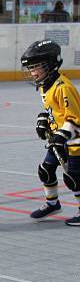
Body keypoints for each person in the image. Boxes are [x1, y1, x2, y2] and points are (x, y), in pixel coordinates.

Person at [21, 40, 80, 225]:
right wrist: (43, 119)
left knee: (74, 178)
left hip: (74, 141)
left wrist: (63, 135)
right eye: (30, 68)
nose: (33, 72)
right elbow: (54, 110)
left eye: (36, 67)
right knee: (45, 170)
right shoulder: (46, 85)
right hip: (58, 139)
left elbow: (75, 118)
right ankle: (52, 203)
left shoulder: (63, 88)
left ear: (51, 65)